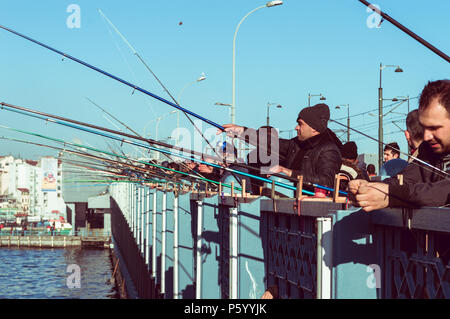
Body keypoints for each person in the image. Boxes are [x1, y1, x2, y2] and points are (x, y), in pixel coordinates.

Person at [349, 79, 450, 211]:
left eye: (434, 128)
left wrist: (393, 195)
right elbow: (406, 179)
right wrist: (370, 187)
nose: (426, 136)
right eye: (424, 128)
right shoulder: (429, 149)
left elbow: (443, 191)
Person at [220, 103, 343, 195]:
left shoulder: (328, 150)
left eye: (300, 124)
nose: (296, 127)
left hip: (311, 211)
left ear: (314, 128)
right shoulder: (296, 144)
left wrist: (289, 172)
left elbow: (326, 181)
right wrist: (241, 131)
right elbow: (269, 143)